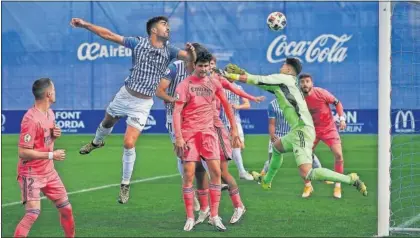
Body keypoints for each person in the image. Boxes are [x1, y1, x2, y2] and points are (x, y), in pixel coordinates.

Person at [70, 16, 195, 204]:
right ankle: (96, 142)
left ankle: (125, 185)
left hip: (142, 104)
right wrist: (85, 25)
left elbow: (191, 62)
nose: (168, 28)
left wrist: (192, 53)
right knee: (107, 122)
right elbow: (109, 35)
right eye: (164, 25)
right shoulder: (138, 43)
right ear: (153, 30)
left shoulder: (170, 50)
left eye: (168, 25)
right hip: (124, 95)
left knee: (129, 143)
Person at [221, 58, 367, 197]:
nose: (282, 66)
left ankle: (350, 179)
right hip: (300, 130)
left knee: (307, 173)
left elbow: (258, 79)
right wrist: (242, 74)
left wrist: (228, 75)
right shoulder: (285, 83)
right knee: (277, 147)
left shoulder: (283, 78)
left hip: (303, 130)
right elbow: (260, 83)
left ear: (289, 70)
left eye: (284, 64)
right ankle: (266, 181)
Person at [173, 51, 241, 231]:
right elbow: (177, 112)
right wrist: (179, 137)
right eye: (200, 66)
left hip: (209, 134)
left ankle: (215, 216)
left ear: (209, 65)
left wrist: (234, 129)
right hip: (189, 134)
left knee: (216, 173)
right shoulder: (184, 85)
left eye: (206, 66)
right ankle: (189, 217)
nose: (203, 69)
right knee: (188, 174)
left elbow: (226, 105)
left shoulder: (214, 83)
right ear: (194, 66)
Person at [14, 78, 75, 238]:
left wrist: (54, 136)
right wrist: (51, 155)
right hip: (31, 172)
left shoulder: (50, 113)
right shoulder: (30, 119)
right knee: (32, 214)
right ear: (48, 94)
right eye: (54, 90)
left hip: (48, 172)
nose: (55, 92)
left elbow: (44, 141)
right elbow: (23, 152)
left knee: (66, 209)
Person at [300, 73, 347, 198]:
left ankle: (338, 186)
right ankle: (308, 186)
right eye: (302, 82)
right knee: (302, 158)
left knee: (338, 155)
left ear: (312, 83)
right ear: (299, 84)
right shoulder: (298, 98)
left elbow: (337, 103)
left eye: (307, 81)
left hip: (328, 129)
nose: (305, 84)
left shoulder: (321, 93)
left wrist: (342, 118)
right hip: (311, 131)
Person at [212, 56, 255, 181]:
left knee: (236, 147)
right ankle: (239, 172)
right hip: (222, 121)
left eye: (234, 74)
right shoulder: (219, 85)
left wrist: (238, 105)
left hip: (235, 121)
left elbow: (247, 104)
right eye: (231, 74)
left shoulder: (238, 88)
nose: (232, 76)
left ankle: (220, 173)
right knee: (231, 148)